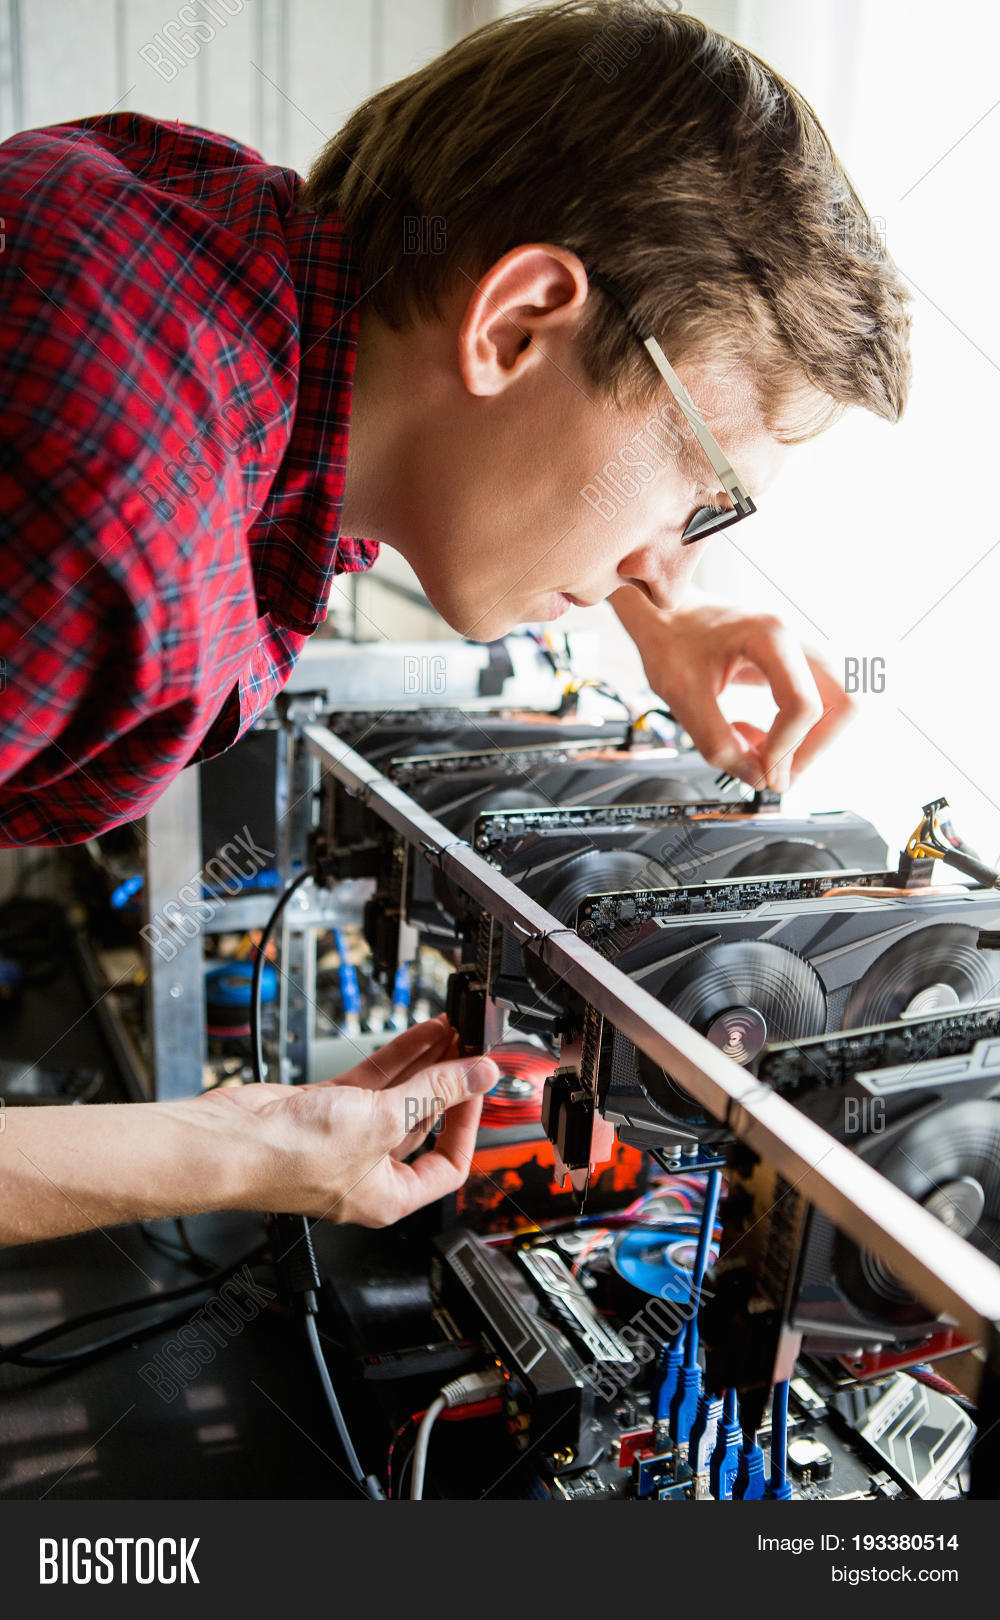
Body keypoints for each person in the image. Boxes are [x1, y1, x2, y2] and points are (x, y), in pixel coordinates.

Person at [0, 2, 911, 1243]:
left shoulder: (201, 241)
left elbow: (424, 462)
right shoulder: (117, 525)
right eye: (705, 497)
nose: (670, 561)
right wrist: (219, 1149)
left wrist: (648, 602)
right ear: (517, 321)